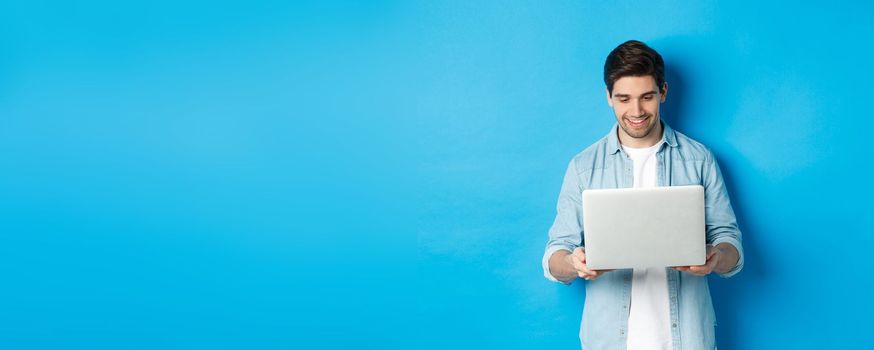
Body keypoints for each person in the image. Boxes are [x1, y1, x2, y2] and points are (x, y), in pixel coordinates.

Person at [541, 40, 744, 350]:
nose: (635, 111)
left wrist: (716, 258)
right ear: (608, 97)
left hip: (687, 339)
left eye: (646, 97)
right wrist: (573, 262)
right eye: (624, 99)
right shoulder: (583, 167)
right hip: (608, 340)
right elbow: (554, 258)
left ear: (663, 92)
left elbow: (731, 248)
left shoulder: (699, 159)